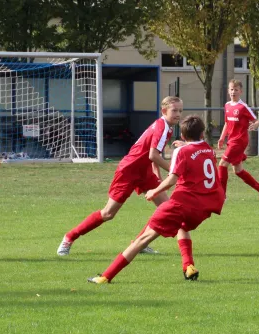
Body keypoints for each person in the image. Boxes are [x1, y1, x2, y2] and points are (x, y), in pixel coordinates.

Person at [87, 115, 225, 283]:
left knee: (142, 239)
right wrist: (186, 146)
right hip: (205, 206)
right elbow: (196, 151)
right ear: (203, 134)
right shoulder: (209, 149)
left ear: (182, 136)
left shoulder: (181, 151)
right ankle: (188, 266)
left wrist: (154, 191)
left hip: (182, 203)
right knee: (181, 225)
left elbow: (172, 179)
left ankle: (106, 277)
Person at [57, 96, 190, 257]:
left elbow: (153, 155)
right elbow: (153, 155)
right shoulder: (162, 127)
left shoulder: (166, 127)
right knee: (108, 213)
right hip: (128, 170)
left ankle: (139, 243)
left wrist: (158, 178)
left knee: (166, 208)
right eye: (174, 110)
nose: (178, 114)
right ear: (164, 111)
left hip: (144, 171)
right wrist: (174, 171)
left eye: (180, 111)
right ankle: (69, 237)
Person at [217, 79, 259, 201]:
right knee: (238, 170)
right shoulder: (227, 105)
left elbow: (256, 120)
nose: (233, 92)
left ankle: (221, 195)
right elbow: (227, 123)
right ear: (228, 91)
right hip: (231, 140)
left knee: (222, 164)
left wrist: (256, 125)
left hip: (240, 141)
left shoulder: (243, 107)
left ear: (240, 91)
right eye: (231, 89)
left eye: (236, 90)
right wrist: (221, 138)